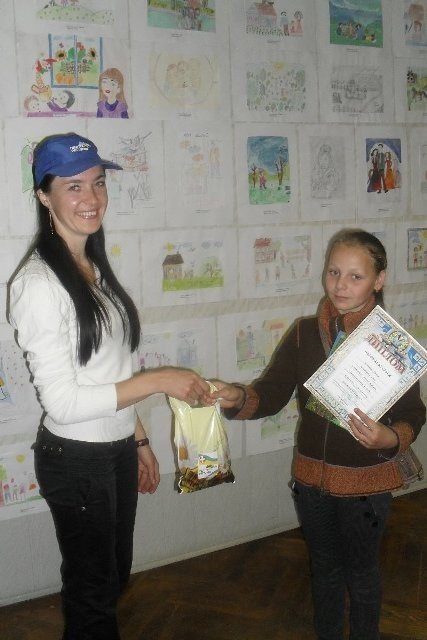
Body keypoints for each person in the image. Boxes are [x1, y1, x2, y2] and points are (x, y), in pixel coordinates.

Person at [7, 132, 209, 640]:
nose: (92, 198)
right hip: (76, 459)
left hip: (114, 449)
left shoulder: (93, 266)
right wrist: (158, 381)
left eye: (98, 183)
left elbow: (109, 372)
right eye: (73, 186)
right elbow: (63, 402)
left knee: (113, 577)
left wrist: (136, 438)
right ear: (43, 195)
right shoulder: (37, 285)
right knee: (93, 595)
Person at [209, 229, 426, 640]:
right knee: (324, 570)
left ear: (378, 280)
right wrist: (236, 396)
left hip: (366, 486)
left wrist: (391, 438)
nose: (341, 285)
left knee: (361, 575)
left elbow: (414, 412)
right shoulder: (305, 332)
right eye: (333, 272)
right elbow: (271, 393)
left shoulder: (390, 342)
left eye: (356, 276)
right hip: (311, 482)